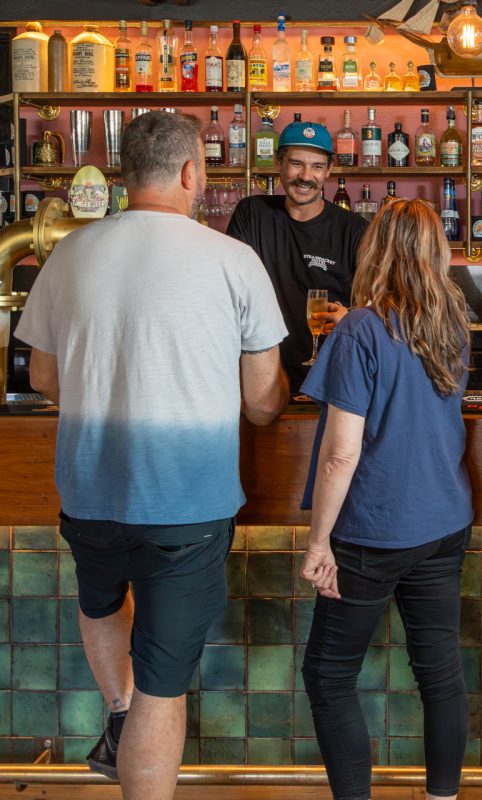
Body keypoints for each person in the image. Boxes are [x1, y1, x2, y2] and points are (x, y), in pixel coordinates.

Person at [14, 111, 289, 799]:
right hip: (186, 507)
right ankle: (133, 724)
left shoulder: (67, 254)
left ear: (122, 176)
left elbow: (43, 378)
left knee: (103, 601)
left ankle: (116, 715)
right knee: (162, 690)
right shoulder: (233, 260)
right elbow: (262, 403)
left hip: (88, 493)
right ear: (193, 172)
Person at [299, 199, 474, 800]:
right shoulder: (451, 324)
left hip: (372, 530)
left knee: (327, 674)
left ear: (375, 249)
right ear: (435, 253)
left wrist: (319, 541)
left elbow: (341, 453)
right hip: (442, 523)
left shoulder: (358, 330)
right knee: (440, 674)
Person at [226, 119, 369, 389]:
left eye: (316, 166)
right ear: (278, 164)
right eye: (296, 164)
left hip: (332, 377)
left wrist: (350, 317)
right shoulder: (252, 213)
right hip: (263, 376)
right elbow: (231, 290)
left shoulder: (355, 230)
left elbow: (375, 306)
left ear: (329, 170)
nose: (305, 176)